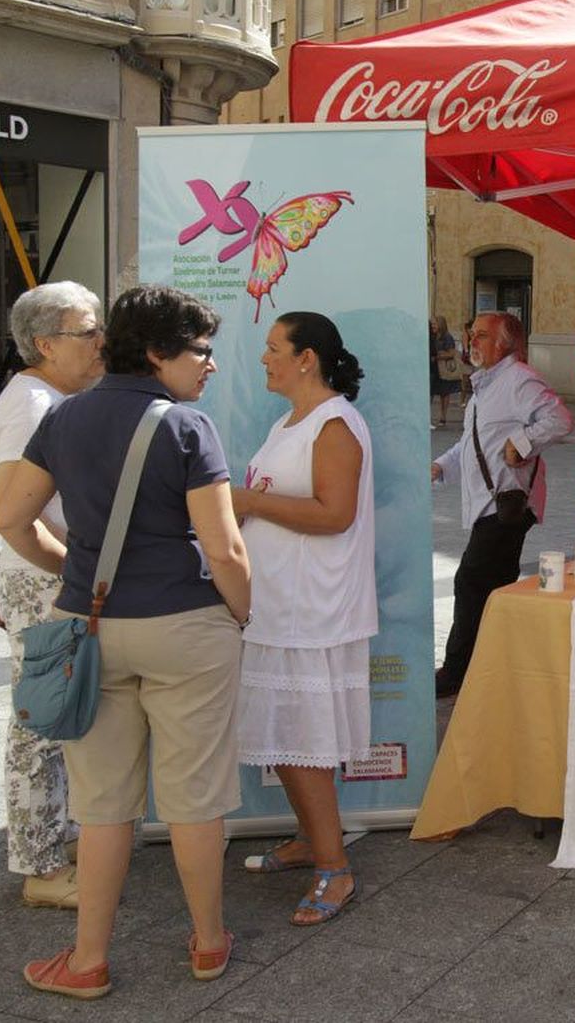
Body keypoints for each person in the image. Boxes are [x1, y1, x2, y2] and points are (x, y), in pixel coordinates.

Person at [0, 285, 251, 1000]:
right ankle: (206, 943)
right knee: (195, 799)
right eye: (201, 350)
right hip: (185, 625)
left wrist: (73, 568)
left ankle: (86, 961)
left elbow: (11, 518)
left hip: (92, 627)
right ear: (159, 352)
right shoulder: (189, 428)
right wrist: (242, 612)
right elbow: (225, 548)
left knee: (103, 806)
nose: (210, 365)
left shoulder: (64, 418)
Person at [229, 312, 374, 926]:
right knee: (287, 738)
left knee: (303, 745)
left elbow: (334, 513)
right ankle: (314, 841)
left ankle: (334, 870)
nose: (264, 358)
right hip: (278, 607)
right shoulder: (288, 421)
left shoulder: (335, 423)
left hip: (311, 612)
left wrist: (247, 502)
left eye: (272, 348)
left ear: (306, 358)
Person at [0, 280, 105, 908]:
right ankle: (40, 866)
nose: (100, 343)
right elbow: (12, 515)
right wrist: (68, 572)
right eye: (87, 332)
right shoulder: (32, 405)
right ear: (44, 344)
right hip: (45, 584)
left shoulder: (48, 398)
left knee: (65, 718)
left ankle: (69, 837)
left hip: (48, 580)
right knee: (39, 725)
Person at [431, 312, 572, 698]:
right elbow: (476, 443)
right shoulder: (488, 385)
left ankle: (457, 671)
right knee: (494, 587)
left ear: (503, 344)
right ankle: (494, 665)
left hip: (505, 506)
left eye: (480, 335)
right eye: (471, 333)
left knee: (470, 581)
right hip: (491, 504)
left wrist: (521, 444)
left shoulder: (518, 379)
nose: (471, 341)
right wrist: (440, 466)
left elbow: (559, 420)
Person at [429, 315, 461, 428]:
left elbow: (452, 353)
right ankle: (431, 417)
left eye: (434, 323)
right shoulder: (432, 336)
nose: (432, 325)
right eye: (432, 323)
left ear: (440, 324)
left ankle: (443, 417)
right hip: (434, 369)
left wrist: (438, 356)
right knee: (431, 393)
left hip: (443, 369)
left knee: (444, 393)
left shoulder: (447, 337)